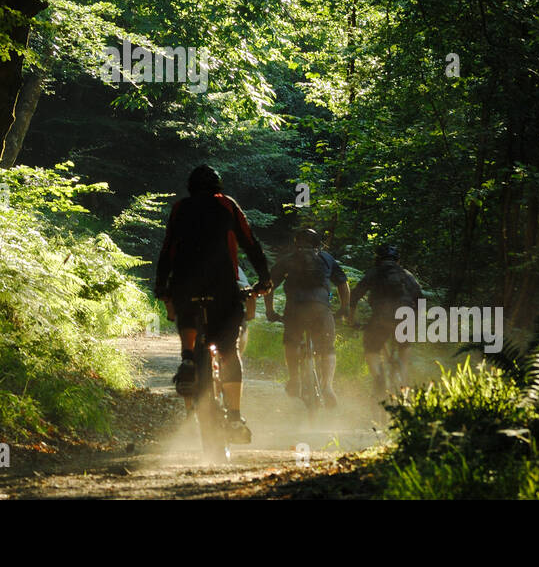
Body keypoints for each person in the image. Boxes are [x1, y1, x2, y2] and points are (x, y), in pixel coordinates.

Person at [156, 165, 271, 443]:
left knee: (187, 309)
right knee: (230, 350)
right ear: (218, 185)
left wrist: (162, 286)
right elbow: (250, 243)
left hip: (186, 286)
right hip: (222, 287)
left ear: (190, 186)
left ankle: (187, 360)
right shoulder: (228, 205)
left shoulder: (180, 208)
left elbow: (169, 247)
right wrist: (264, 278)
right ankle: (234, 416)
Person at [264, 228, 348, 409]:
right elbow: (343, 284)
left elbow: (268, 285)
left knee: (292, 343)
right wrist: (343, 308)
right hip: (321, 309)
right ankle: (328, 388)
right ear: (318, 243)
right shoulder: (327, 259)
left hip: (295, 310)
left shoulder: (288, 260)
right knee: (328, 348)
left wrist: (270, 311)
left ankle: (294, 379)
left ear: (296, 243)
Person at [345, 244, 422, 397]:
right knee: (404, 350)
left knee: (371, 348)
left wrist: (351, 319)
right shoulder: (406, 274)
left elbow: (354, 296)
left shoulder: (374, 273)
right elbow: (420, 299)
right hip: (406, 318)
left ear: (377, 259)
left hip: (381, 318)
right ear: (397, 260)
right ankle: (403, 379)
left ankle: (379, 378)